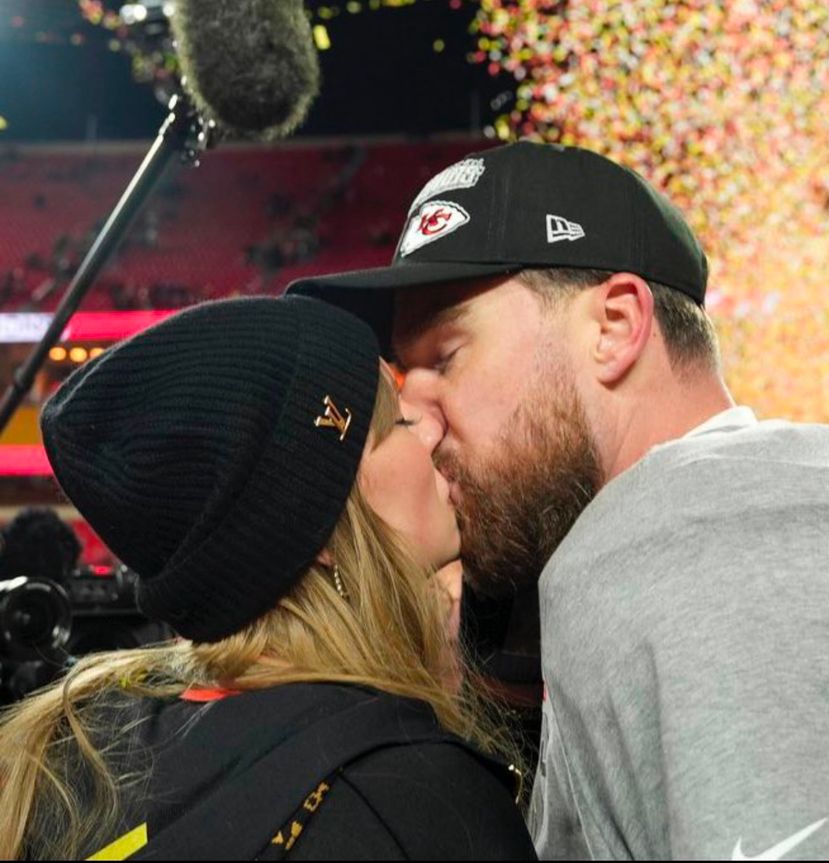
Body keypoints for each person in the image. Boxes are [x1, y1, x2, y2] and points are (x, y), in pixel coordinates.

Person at [287, 141, 829, 859]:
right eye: (406, 380)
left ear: (615, 327)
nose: (423, 421)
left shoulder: (715, 541)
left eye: (445, 358)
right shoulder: (774, 501)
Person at [0, 296, 536, 861]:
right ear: (321, 531)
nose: (429, 428)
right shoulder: (417, 803)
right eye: (397, 423)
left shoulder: (71, 759)